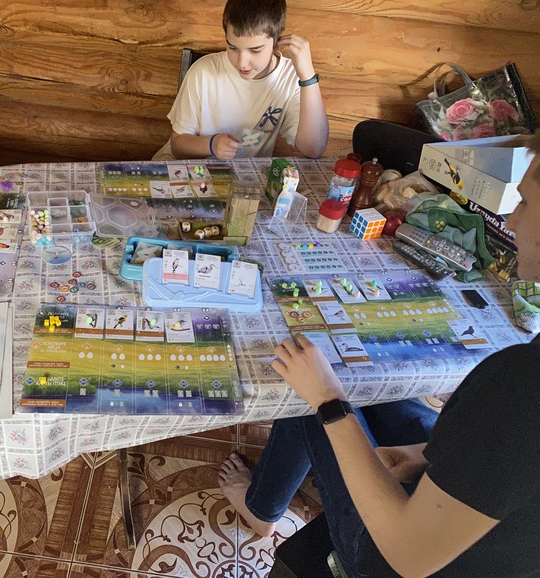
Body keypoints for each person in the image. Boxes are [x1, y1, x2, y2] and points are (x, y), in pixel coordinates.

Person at [219, 131, 540, 576]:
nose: (512, 220)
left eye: (525, 203)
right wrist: (422, 456)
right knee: (346, 379)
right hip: (475, 518)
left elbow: (409, 556)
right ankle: (270, 497)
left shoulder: (521, 381)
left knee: (311, 393)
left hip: (388, 556)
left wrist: (329, 402)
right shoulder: (520, 385)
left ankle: (261, 510)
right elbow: (511, 460)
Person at [152, 0, 328, 162]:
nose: (242, 62)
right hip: (182, 168)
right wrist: (211, 144)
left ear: (276, 42)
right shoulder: (203, 71)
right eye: (233, 47)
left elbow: (313, 149)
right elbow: (178, 147)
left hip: (240, 177)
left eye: (255, 50)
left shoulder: (290, 77)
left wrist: (308, 78)